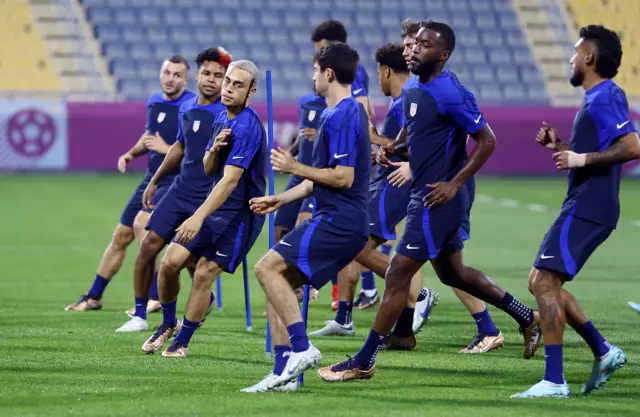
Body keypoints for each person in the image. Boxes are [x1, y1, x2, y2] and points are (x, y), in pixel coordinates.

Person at [318, 21, 541, 383]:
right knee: (454, 273)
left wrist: (454, 184)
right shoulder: (415, 90)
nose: (414, 49)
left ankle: (364, 360)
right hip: (427, 193)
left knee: (396, 274)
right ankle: (526, 316)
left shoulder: (449, 91)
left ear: (443, 55)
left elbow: (487, 141)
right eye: (414, 43)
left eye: (424, 44)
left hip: (437, 197)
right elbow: (413, 132)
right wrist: (391, 149)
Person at [512, 25, 637, 399]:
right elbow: (597, 154)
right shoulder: (597, 98)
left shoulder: (605, 96)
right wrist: (562, 146)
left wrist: (579, 157)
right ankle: (603, 350)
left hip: (589, 206)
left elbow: (632, 146)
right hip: (585, 202)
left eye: (575, 50)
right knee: (540, 281)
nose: (570, 57)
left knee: (543, 284)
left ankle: (554, 380)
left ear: (589, 58)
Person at [243, 43, 370, 392]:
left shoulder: (344, 114)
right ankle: (283, 373)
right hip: (338, 218)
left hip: (340, 220)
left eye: (315, 70)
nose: (312, 77)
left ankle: (301, 347)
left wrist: (294, 166)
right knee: (277, 282)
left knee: (265, 268)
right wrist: (280, 197)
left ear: (328, 73)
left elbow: (342, 177)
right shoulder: (338, 113)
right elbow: (319, 178)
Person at [308, 43, 438, 348]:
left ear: (386, 71)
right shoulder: (402, 101)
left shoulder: (405, 101)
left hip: (394, 185)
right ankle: (346, 317)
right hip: (387, 180)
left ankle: (418, 296)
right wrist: (381, 150)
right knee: (357, 244)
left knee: (359, 245)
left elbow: (412, 144)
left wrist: (378, 143)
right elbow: (397, 145)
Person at [141, 60, 268, 357]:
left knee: (203, 273)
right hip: (214, 208)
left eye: (238, 85)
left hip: (239, 216)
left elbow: (229, 181)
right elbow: (210, 169)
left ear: (251, 93)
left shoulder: (248, 125)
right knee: (171, 261)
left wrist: (197, 217)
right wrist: (214, 150)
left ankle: (182, 341)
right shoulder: (221, 119)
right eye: (228, 82)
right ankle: (168, 323)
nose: (229, 88)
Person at [65, 56, 194, 313]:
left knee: (144, 230)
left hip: (175, 181)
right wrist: (131, 153)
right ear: (160, 74)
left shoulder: (190, 107)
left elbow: (194, 153)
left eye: (177, 74)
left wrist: (165, 148)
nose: (170, 78)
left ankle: (155, 296)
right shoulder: (155, 101)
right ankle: (94, 296)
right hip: (151, 178)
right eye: (167, 72)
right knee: (120, 235)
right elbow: (149, 137)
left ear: (186, 79)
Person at [115, 47, 231, 333]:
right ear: (198, 76)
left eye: (219, 76)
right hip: (179, 190)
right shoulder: (187, 108)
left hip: (206, 197)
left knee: (190, 262)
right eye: (207, 73)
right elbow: (179, 147)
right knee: (148, 246)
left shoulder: (228, 116)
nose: (212, 80)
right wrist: (154, 180)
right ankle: (141, 315)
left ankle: (194, 307)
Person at [311, 20, 373, 309]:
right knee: (361, 243)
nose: (316, 68)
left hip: (348, 192)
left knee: (362, 240)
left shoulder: (347, 104)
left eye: (320, 55)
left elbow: (363, 110)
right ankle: (347, 309)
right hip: (341, 197)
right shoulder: (333, 111)